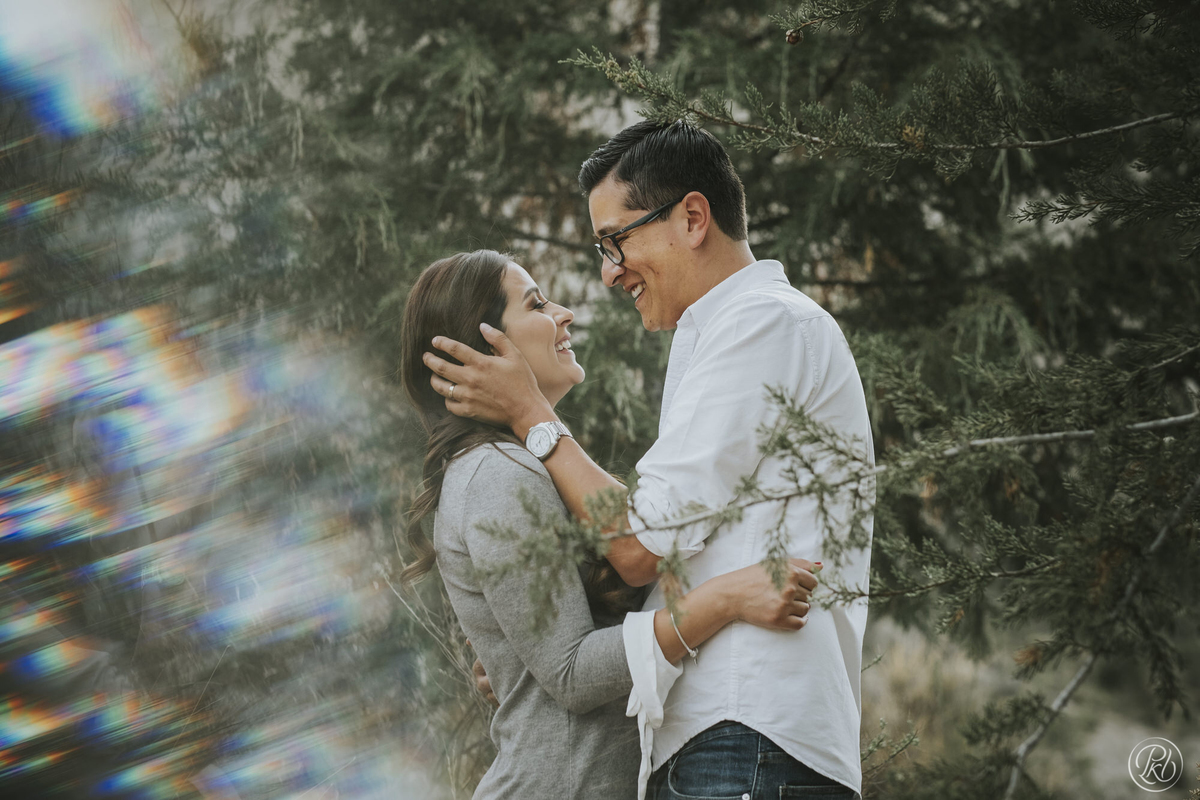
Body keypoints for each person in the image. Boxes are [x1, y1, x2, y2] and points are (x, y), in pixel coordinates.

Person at [422, 121, 875, 800]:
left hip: (745, 730)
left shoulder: (764, 325)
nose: (608, 273)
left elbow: (637, 545)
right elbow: (666, 557)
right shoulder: (720, 337)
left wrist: (533, 415)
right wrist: (528, 651)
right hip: (726, 738)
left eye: (616, 241)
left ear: (692, 217)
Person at [399, 249, 822, 800]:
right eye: (536, 304)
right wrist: (726, 599)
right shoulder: (495, 475)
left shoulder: (525, 466)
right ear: (485, 348)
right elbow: (572, 673)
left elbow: (573, 629)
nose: (564, 312)